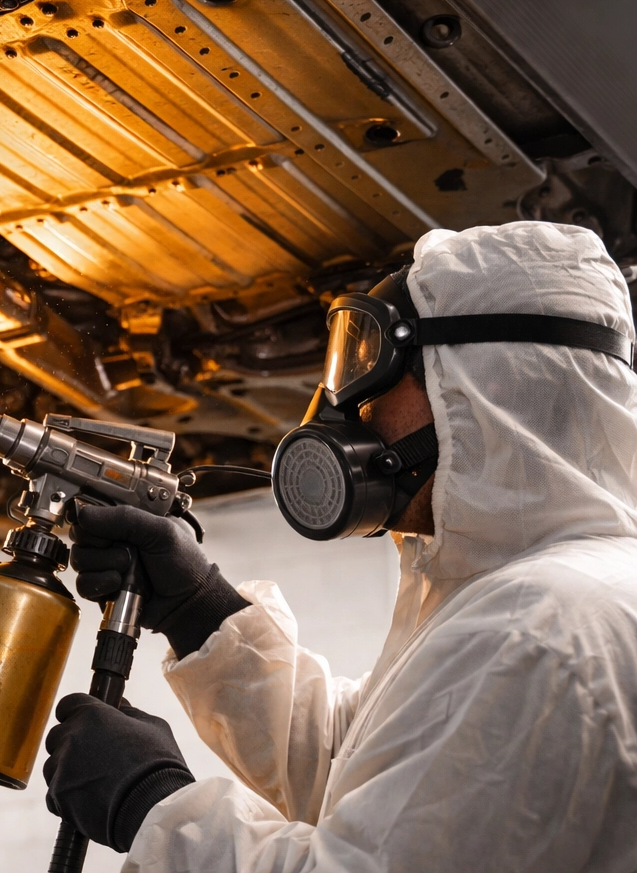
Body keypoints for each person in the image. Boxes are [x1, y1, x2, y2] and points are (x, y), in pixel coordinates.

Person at [41, 221, 637, 871]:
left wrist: (151, 804)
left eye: (371, 364)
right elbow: (351, 764)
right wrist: (199, 610)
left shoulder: (535, 630)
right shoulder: (544, 595)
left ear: (478, 385)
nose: (342, 405)